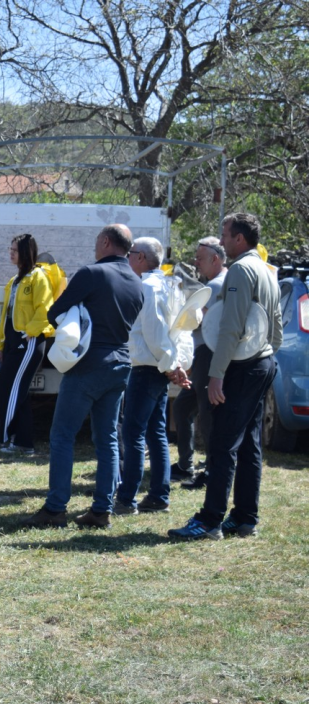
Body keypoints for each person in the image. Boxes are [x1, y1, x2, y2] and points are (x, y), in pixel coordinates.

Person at [170, 213, 282, 540]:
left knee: (222, 442)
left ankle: (209, 521)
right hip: (262, 363)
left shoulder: (241, 270)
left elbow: (231, 327)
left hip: (243, 367)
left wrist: (217, 374)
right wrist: (266, 354)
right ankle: (244, 519)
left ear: (239, 239)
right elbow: (275, 326)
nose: (221, 240)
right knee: (249, 444)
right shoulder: (266, 269)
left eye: (225, 234)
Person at [23, 224, 143, 529]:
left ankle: (55, 509)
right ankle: (102, 510)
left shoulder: (92, 273)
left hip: (88, 364)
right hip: (121, 363)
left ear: (106, 242)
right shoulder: (136, 280)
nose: (95, 246)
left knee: (62, 436)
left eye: (97, 241)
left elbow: (55, 312)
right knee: (108, 439)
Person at [113, 237, 191, 515]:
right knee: (155, 432)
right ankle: (158, 495)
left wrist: (172, 366)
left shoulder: (147, 286)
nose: (127, 257)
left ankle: (126, 499)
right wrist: (176, 365)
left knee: (133, 433)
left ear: (141, 258)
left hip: (147, 368)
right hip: (158, 367)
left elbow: (155, 333)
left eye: (130, 253)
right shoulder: (168, 285)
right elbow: (180, 331)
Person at [171, 236, 227, 489]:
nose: (196, 262)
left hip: (208, 355)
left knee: (207, 415)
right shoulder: (221, 282)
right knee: (184, 408)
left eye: (200, 258)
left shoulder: (215, 286)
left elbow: (196, 322)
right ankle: (187, 465)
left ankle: (211, 471)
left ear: (215, 259)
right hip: (207, 355)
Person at [0, 233, 55, 458]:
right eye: (10, 249)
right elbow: (5, 316)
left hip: (28, 341)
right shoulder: (15, 280)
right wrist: (0, 346)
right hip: (12, 342)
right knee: (17, 390)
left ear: (26, 252)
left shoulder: (38, 277)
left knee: (5, 387)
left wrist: (30, 333)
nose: (10, 253)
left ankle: (8, 437)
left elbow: (45, 308)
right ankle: (24, 442)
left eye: (15, 250)